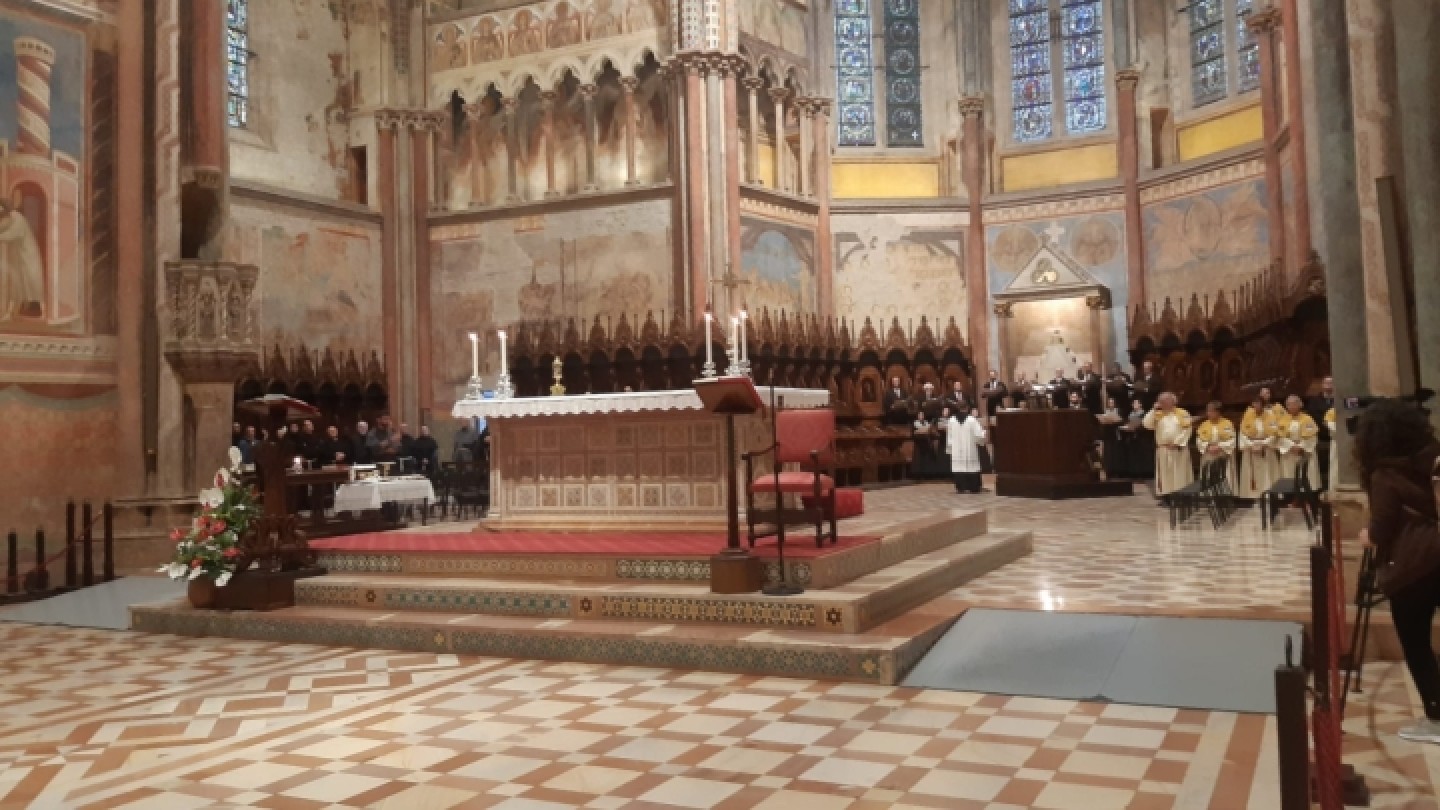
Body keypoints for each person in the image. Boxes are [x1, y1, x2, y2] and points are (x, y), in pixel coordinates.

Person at [1353, 398, 1440, 744]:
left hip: (1413, 563)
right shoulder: (1429, 459)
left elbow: (1382, 526)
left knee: (1416, 642)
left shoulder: (1385, 473)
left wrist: (1367, 536)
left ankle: (1436, 716)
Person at [1143, 392, 1193, 497]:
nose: (1162, 402)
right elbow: (1147, 425)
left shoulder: (1183, 413)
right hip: (1164, 449)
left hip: (1178, 448)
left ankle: (1181, 495)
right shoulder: (1157, 414)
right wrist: (1153, 410)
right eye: (1160, 400)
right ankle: (1167, 495)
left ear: (1173, 401)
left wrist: (1177, 443)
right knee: (1166, 475)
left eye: (1165, 400)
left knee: (1179, 473)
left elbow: (1187, 430)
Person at [1237, 395, 1279, 500]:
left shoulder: (1270, 415)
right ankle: (1251, 496)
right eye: (1254, 403)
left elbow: (1274, 433)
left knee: (1267, 473)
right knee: (1252, 474)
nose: (1256, 405)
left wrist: (1263, 443)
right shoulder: (1247, 415)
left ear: (1263, 404)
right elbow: (1242, 433)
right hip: (1251, 449)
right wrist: (1252, 445)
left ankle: (1268, 495)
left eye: (1259, 403)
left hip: (1266, 448)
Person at [1275, 395, 1321, 488]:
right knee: (1290, 477)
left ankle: (1307, 499)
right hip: (1289, 452)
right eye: (1289, 405)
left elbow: (1312, 437)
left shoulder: (1307, 419)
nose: (1292, 407)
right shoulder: (1282, 420)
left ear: (1300, 405)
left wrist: (1301, 447)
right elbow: (1279, 437)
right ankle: (1291, 499)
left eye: (1294, 404)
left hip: (1304, 452)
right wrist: (1291, 446)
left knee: (1306, 476)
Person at [1194, 401, 1237, 487]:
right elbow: (1199, 439)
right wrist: (1207, 447)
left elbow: (1232, 439)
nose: (1208, 413)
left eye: (1211, 411)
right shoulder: (1203, 425)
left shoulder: (1227, 424)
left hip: (1222, 454)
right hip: (1208, 455)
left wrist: (1220, 447)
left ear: (1218, 412)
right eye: (1207, 411)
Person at [947, 408, 988, 493]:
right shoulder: (971, 420)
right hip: (970, 449)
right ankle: (973, 487)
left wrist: (950, 449)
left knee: (959, 467)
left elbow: (949, 437)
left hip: (957, 450)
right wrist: (984, 433)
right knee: (971, 467)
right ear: (966, 408)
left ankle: (961, 488)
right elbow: (978, 435)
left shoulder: (951, 420)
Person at [1306, 376, 1337, 489]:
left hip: (1336, 438)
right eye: (1326, 383)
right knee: (1322, 467)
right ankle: (1323, 490)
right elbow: (1312, 417)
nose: (1329, 385)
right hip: (1321, 437)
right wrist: (1324, 425)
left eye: (1331, 383)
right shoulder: (1315, 401)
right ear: (1322, 385)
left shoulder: (1338, 399)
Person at [1325, 405, 1338, 494]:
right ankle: (1334, 491)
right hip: (1337, 442)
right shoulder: (1331, 412)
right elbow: (1333, 428)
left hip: (1353, 442)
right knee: (1335, 468)